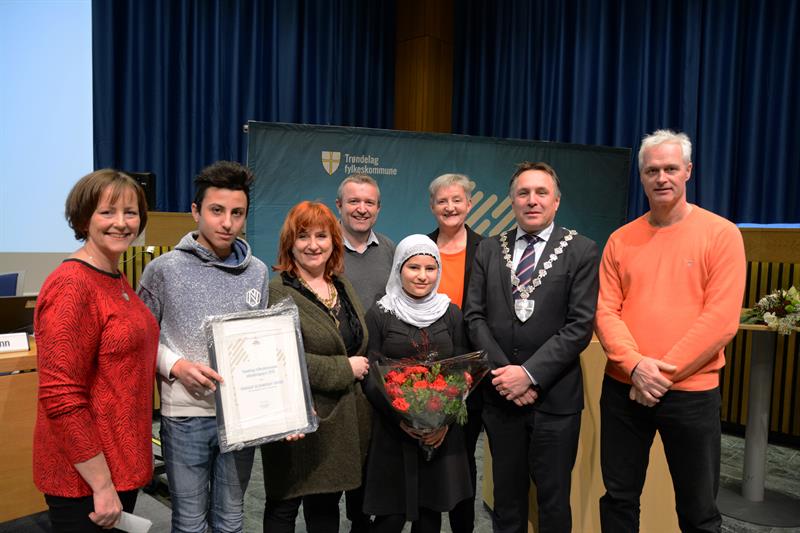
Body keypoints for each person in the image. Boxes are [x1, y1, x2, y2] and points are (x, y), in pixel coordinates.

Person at [595, 130, 746, 532]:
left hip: (691, 396)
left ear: (688, 172)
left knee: (699, 510)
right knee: (619, 500)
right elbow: (606, 312)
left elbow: (721, 321)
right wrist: (634, 367)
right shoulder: (619, 240)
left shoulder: (722, 234)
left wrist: (656, 374)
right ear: (641, 177)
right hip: (623, 389)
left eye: (670, 169)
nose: (661, 177)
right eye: (652, 170)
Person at [464, 162, 600, 533]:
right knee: (506, 502)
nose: (532, 200)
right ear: (512, 201)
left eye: (541, 193)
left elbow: (579, 327)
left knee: (554, 500)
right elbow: (474, 316)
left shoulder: (582, 250)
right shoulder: (489, 250)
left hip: (555, 401)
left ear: (556, 201)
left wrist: (529, 375)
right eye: (523, 193)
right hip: (501, 397)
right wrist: (505, 375)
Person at [137, 161, 269, 533]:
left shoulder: (257, 271)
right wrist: (176, 366)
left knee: (231, 519)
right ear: (196, 211)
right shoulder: (162, 269)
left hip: (240, 419)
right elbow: (142, 338)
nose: (226, 222)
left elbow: (258, 340)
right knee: (191, 523)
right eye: (216, 211)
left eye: (237, 213)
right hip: (184, 416)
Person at [33, 169, 158, 532]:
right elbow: (61, 396)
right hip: (85, 480)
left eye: (130, 213)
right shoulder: (72, 285)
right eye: (108, 212)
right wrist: (101, 484)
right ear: (84, 217)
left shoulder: (113, 276)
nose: (121, 223)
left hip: (118, 465)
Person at [260, 201, 371, 533]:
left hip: (341, 422)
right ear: (289, 243)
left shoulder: (342, 285)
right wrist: (344, 369)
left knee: (325, 509)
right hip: (296, 420)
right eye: (303, 236)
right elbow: (275, 358)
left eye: (321, 236)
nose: (313, 245)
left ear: (333, 241)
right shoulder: (276, 291)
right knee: (283, 507)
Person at [362, 234, 473, 533]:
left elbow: (463, 369)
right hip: (392, 430)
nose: (422, 276)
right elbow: (371, 374)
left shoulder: (451, 313)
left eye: (430, 268)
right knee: (390, 518)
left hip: (439, 432)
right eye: (413, 268)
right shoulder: (380, 314)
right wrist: (400, 418)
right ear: (399, 269)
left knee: (430, 516)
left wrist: (444, 421)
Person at [426, 173, 484, 532]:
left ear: (469, 204)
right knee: (427, 455)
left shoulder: (487, 249)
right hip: (426, 370)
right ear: (432, 206)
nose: (450, 207)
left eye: (457, 200)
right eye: (442, 201)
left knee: (464, 457)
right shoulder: (421, 245)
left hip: (471, 373)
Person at [335, 173, 396, 310]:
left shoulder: (389, 249)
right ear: (339, 205)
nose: (362, 210)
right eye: (354, 201)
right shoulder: (321, 249)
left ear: (378, 208)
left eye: (369, 202)